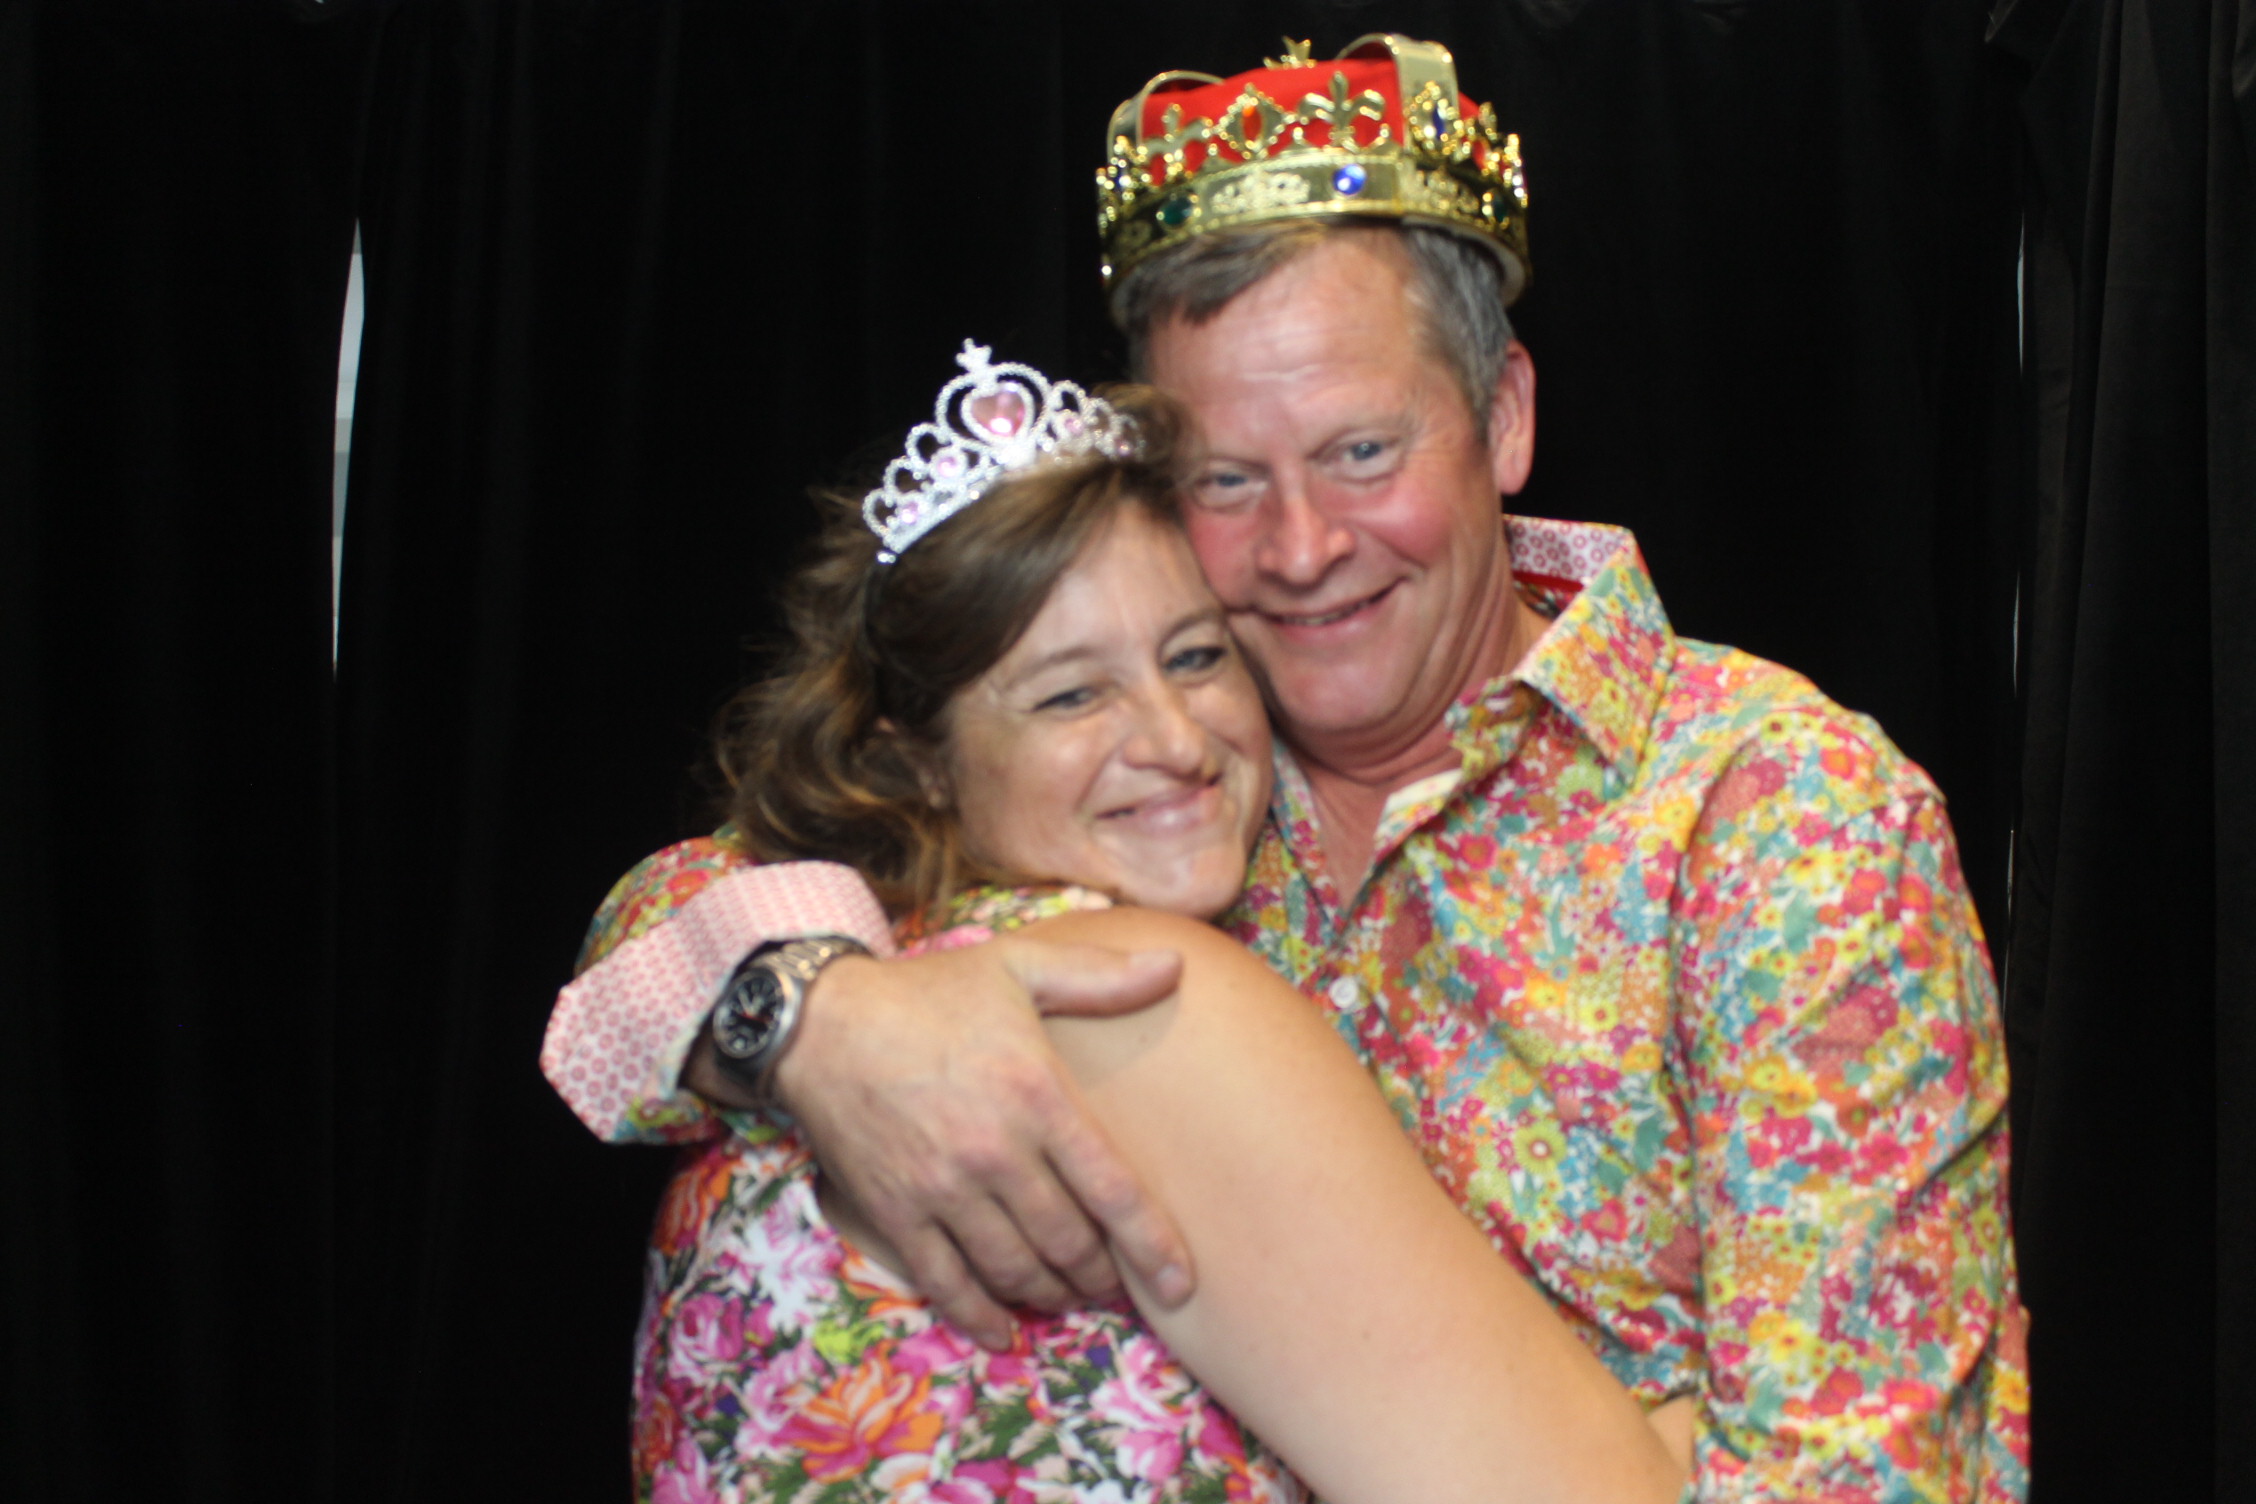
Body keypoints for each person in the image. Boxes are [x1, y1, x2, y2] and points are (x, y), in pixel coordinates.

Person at [548, 34, 2030, 1501]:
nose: (1303, 549)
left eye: (1364, 454)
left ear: (1503, 417)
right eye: (1225, 483)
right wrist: (819, 1016)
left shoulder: (1783, 824)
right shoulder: (1151, 778)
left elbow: (1873, 1478)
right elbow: (669, 912)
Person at [563, 350, 1690, 1502]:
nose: (1176, 738)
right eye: (1071, 693)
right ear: (919, 761)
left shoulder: (873, 960)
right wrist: (1723, 1403)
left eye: (1197, 657)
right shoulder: (1135, 999)